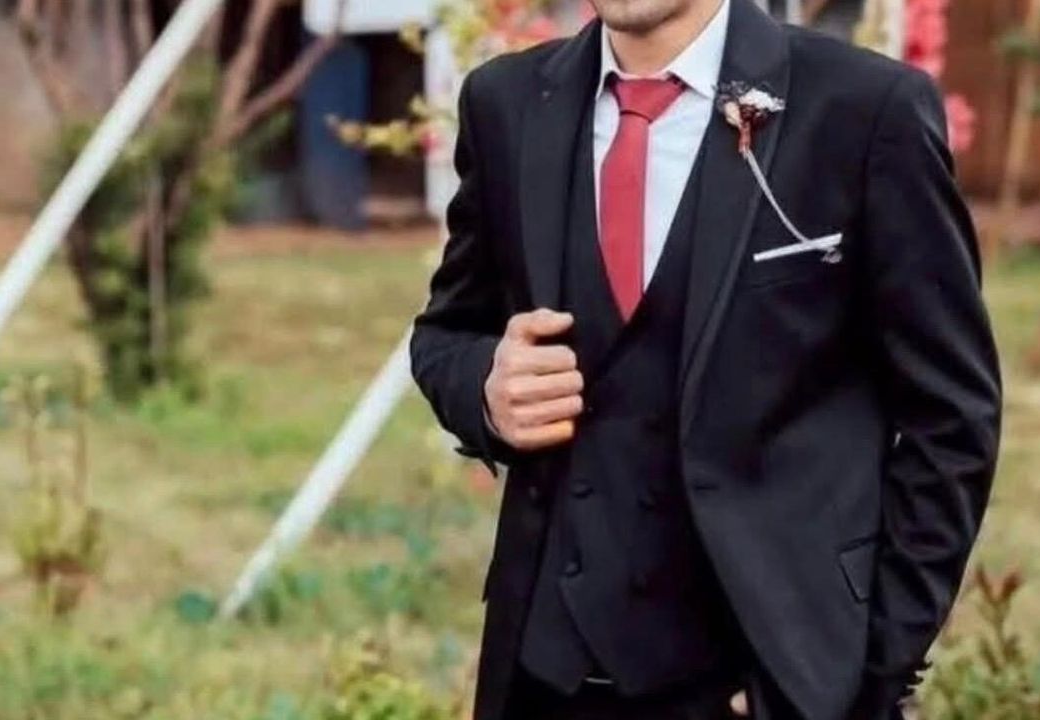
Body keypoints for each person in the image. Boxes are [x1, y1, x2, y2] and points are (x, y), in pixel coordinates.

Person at [409, 0, 1002, 717]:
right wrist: (486, 388)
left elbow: (953, 417)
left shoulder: (864, 109)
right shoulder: (505, 103)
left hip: (762, 681)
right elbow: (447, 334)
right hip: (546, 678)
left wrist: (860, 674)